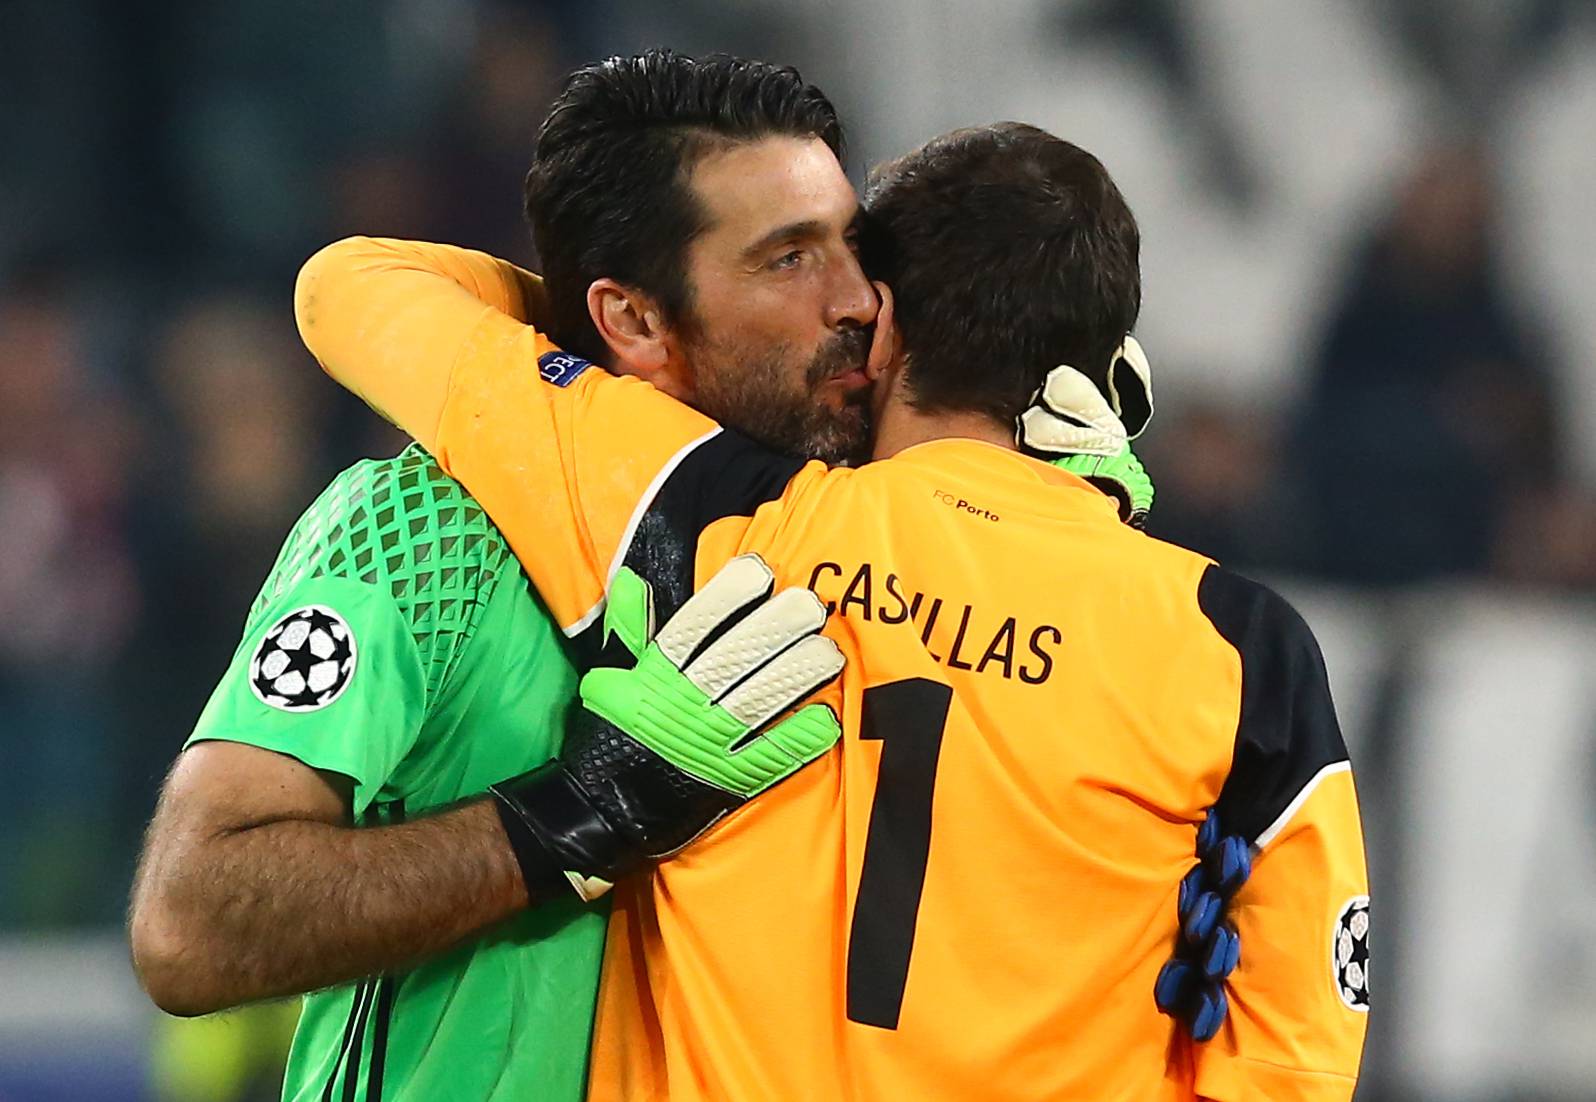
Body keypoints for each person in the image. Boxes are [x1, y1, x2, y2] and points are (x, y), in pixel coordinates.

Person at [129, 51, 1156, 1102]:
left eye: (854, 246)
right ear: (631, 321)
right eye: (788, 259)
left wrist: (1048, 522)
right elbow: (191, 922)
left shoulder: (884, 539)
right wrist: (580, 811)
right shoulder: (427, 527)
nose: (860, 300)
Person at [297, 121, 1370, 1098]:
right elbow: (1296, 1059)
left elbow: (354, 288)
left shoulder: (716, 515)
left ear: (882, 319)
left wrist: (595, 336)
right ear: (1107, 372)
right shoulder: (1235, 646)